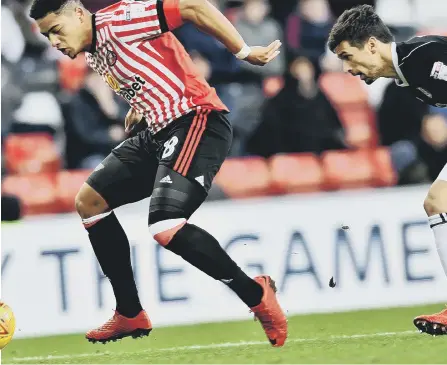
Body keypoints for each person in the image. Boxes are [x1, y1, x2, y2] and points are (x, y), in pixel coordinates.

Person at [29, 0, 287, 346]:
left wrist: (242, 51)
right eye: (47, 37)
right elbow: (156, 63)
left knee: (165, 225)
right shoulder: (94, 52)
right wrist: (141, 107)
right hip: (158, 130)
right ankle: (129, 312)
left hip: (197, 118)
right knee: (90, 202)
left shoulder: (119, 21)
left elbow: (195, 7)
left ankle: (255, 294)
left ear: (78, 13)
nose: (54, 43)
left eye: (56, 31)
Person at [327, 4, 447, 336]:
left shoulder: (422, 59)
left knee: (439, 201)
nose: (347, 68)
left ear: (371, 45)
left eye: (348, 56)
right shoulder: (408, 74)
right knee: (438, 202)